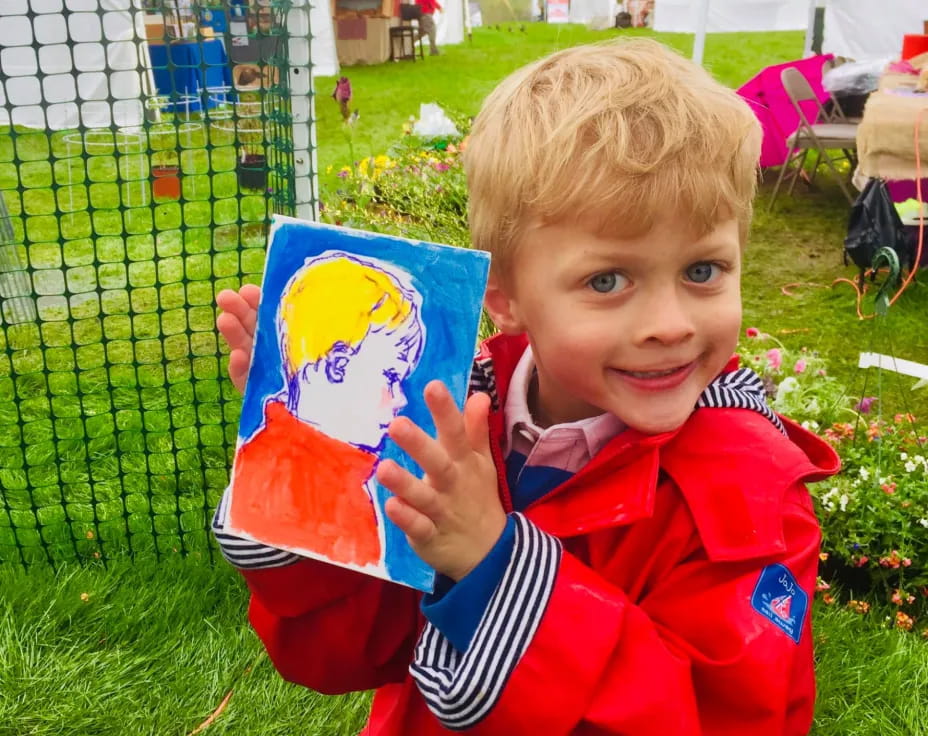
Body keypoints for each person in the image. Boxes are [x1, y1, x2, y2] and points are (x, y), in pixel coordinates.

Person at [213, 39, 840, 735]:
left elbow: (719, 717)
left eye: (703, 271)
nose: (669, 325)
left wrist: (493, 568)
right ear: (506, 300)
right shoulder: (449, 421)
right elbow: (348, 650)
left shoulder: (747, 502)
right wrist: (310, 451)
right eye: (608, 280)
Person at [221, 252, 425, 574]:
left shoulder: (342, 474)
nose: (400, 398)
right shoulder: (286, 476)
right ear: (337, 366)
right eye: (390, 376)